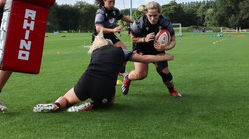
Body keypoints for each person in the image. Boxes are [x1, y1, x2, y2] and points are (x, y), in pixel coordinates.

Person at [32, 29, 175, 113]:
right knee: (110, 102)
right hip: (104, 87)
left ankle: (56, 104)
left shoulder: (95, 52)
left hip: (86, 81)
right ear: (111, 43)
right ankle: (92, 105)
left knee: (67, 99)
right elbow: (145, 59)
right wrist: (166, 55)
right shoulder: (122, 52)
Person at [122, 1, 181, 98]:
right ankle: (127, 78)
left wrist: (165, 47)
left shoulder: (165, 23)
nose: (153, 18)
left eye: (155, 16)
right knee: (141, 74)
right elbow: (132, 38)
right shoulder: (139, 23)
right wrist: (144, 39)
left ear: (160, 13)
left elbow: (173, 41)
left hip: (158, 50)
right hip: (141, 49)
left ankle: (172, 90)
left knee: (165, 72)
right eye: (150, 16)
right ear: (146, 13)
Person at [90, 0, 133, 77]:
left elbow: (123, 17)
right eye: (110, 1)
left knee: (125, 53)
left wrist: (135, 22)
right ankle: (93, 75)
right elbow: (98, 28)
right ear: (104, 1)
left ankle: (121, 71)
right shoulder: (100, 12)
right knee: (99, 60)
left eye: (113, 1)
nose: (112, 3)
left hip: (110, 35)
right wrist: (113, 30)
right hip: (99, 38)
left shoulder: (115, 11)